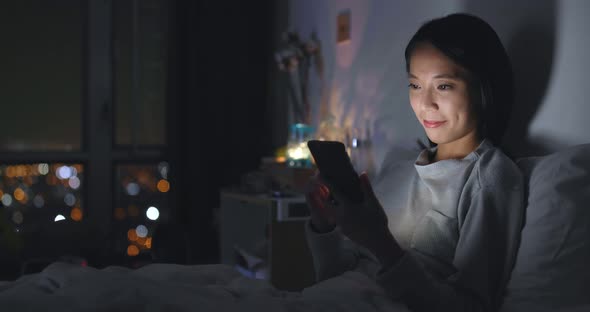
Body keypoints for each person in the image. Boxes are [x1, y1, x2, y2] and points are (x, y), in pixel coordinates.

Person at [305, 13, 524, 312]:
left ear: (484, 88)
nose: (425, 104)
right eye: (415, 85)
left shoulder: (490, 177)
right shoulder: (399, 170)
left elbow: (470, 306)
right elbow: (336, 278)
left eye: (444, 86)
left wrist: (381, 242)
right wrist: (325, 228)